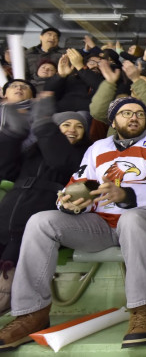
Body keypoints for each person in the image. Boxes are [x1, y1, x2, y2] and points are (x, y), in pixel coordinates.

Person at [0, 97, 146, 351]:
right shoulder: (97, 148)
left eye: (140, 114)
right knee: (41, 221)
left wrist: (126, 195)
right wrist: (70, 202)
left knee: (131, 218)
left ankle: (142, 309)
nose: (133, 118)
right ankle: (32, 314)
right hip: (101, 224)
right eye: (126, 113)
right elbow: (79, 182)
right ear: (113, 121)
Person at [0, 95, 89, 313]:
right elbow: (5, 169)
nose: (72, 129)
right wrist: (13, 136)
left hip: (42, 212)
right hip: (10, 208)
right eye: (66, 124)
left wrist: (43, 125)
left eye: (79, 126)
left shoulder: (84, 155)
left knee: (12, 261)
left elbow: (60, 161)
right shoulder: (34, 152)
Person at [90, 54, 146, 136]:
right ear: (131, 88)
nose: (141, 86)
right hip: (117, 147)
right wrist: (109, 83)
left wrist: (136, 79)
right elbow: (97, 112)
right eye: (137, 83)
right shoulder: (119, 103)